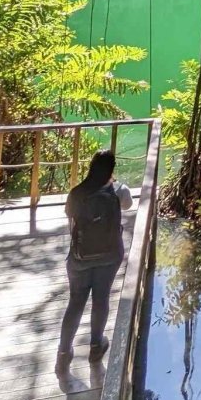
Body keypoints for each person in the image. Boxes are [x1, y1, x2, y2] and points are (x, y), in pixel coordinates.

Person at [58, 150, 132, 367]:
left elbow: (70, 217)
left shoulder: (76, 193)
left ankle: (63, 353)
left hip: (80, 258)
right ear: (112, 169)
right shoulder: (119, 190)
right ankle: (96, 346)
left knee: (75, 302)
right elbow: (128, 205)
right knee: (101, 299)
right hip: (110, 255)